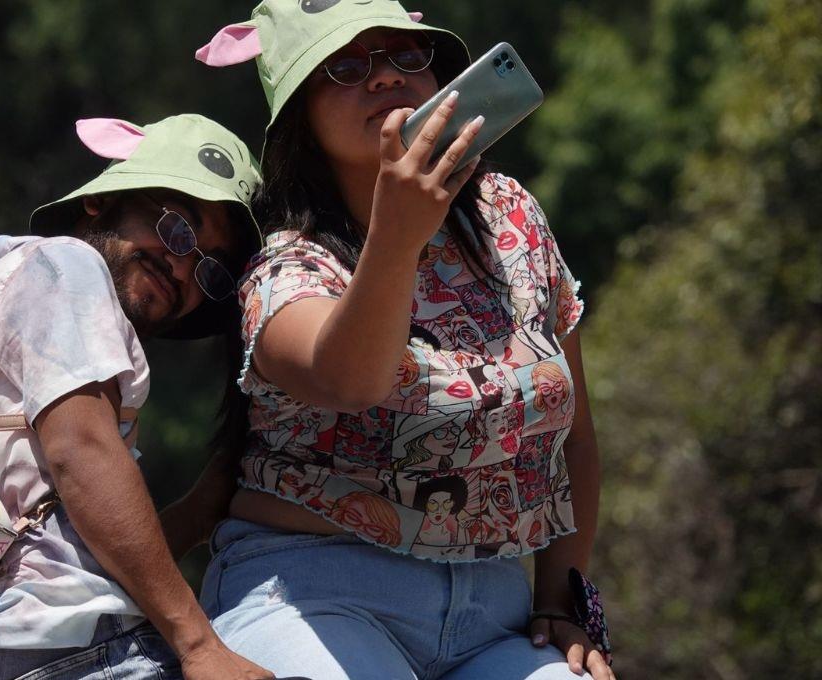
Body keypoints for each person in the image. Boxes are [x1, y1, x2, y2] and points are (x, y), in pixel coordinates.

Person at [193, 2, 613, 678]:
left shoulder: (511, 216)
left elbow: (575, 438)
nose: (386, 77)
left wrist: (563, 603)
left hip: (496, 612)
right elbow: (349, 381)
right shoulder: (287, 265)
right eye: (346, 67)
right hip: (317, 595)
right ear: (300, 118)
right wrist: (397, 236)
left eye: (407, 56)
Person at [0, 114, 272, 680]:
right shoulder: (67, 264)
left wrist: (200, 510)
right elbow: (82, 454)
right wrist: (198, 645)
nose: (181, 266)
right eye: (177, 228)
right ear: (101, 201)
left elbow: (74, 546)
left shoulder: (18, 284)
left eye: (209, 270)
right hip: (69, 653)